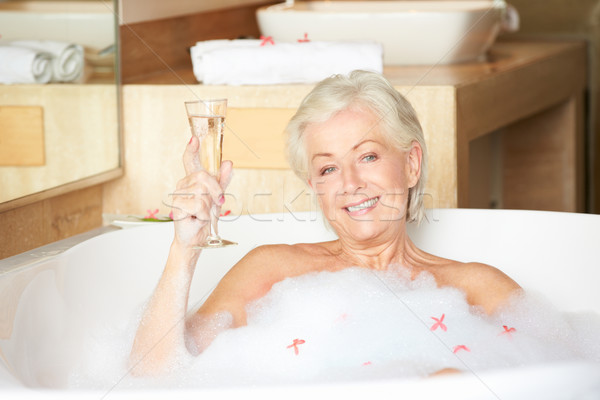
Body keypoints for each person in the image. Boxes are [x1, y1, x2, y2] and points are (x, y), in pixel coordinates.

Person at [129, 70, 520, 376]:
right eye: (329, 168)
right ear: (314, 185)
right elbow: (155, 378)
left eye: (368, 156)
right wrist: (185, 250)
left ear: (412, 163)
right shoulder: (271, 272)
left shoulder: (477, 289)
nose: (350, 183)